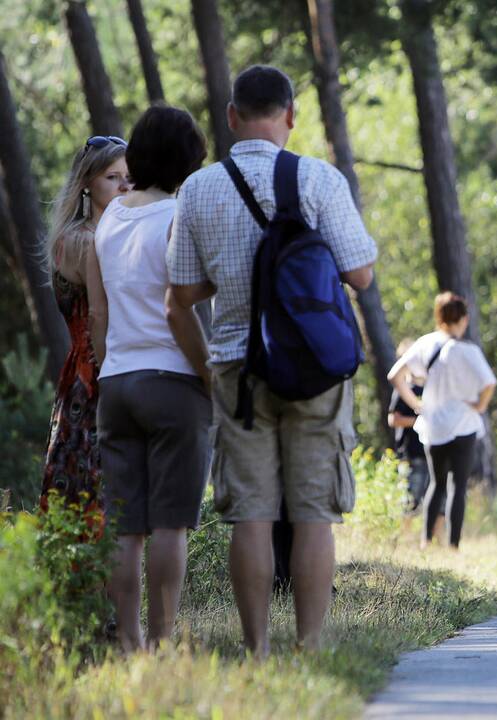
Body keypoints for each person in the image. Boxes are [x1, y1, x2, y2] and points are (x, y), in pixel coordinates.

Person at [166, 65, 377, 656]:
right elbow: (360, 273)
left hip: (236, 369)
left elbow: (181, 294)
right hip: (313, 371)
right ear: (292, 115)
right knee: (314, 512)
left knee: (251, 513)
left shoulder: (200, 188)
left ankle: (257, 648)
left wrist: (209, 365)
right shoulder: (319, 179)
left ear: (232, 117)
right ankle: (310, 646)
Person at [86, 106, 210, 652]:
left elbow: (96, 312)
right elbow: (179, 303)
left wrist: (104, 368)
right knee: (169, 523)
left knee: (125, 524)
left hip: (116, 381)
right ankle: (163, 640)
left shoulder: (108, 218)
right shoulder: (179, 217)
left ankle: (129, 638)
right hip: (172, 379)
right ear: (187, 161)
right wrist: (208, 374)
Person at [40, 135, 130, 524]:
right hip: (95, 371)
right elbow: (97, 316)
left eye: (130, 177)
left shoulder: (74, 236)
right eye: (113, 177)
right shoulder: (86, 241)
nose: (125, 185)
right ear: (87, 184)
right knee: (92, 486)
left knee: (78, 484)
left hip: (77, 372)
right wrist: (111, 375)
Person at [388, 293, 497, 549]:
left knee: (435, 484)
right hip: (463, 425)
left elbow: (395, 375)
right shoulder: (468, 351)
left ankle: (426, 541)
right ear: (464, 319)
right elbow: (489, 382)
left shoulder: (425, 344)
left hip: (433, 425)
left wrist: (415, 404)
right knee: (457, 486)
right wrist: (480, 406)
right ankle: (453, 545)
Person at [388, 338, 431, 512]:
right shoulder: (403, 390)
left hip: (427, 453)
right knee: (408, 503)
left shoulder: (429, 389)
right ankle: (404, 538)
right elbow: (393, 419)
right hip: (409, 454)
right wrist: (418, 422)